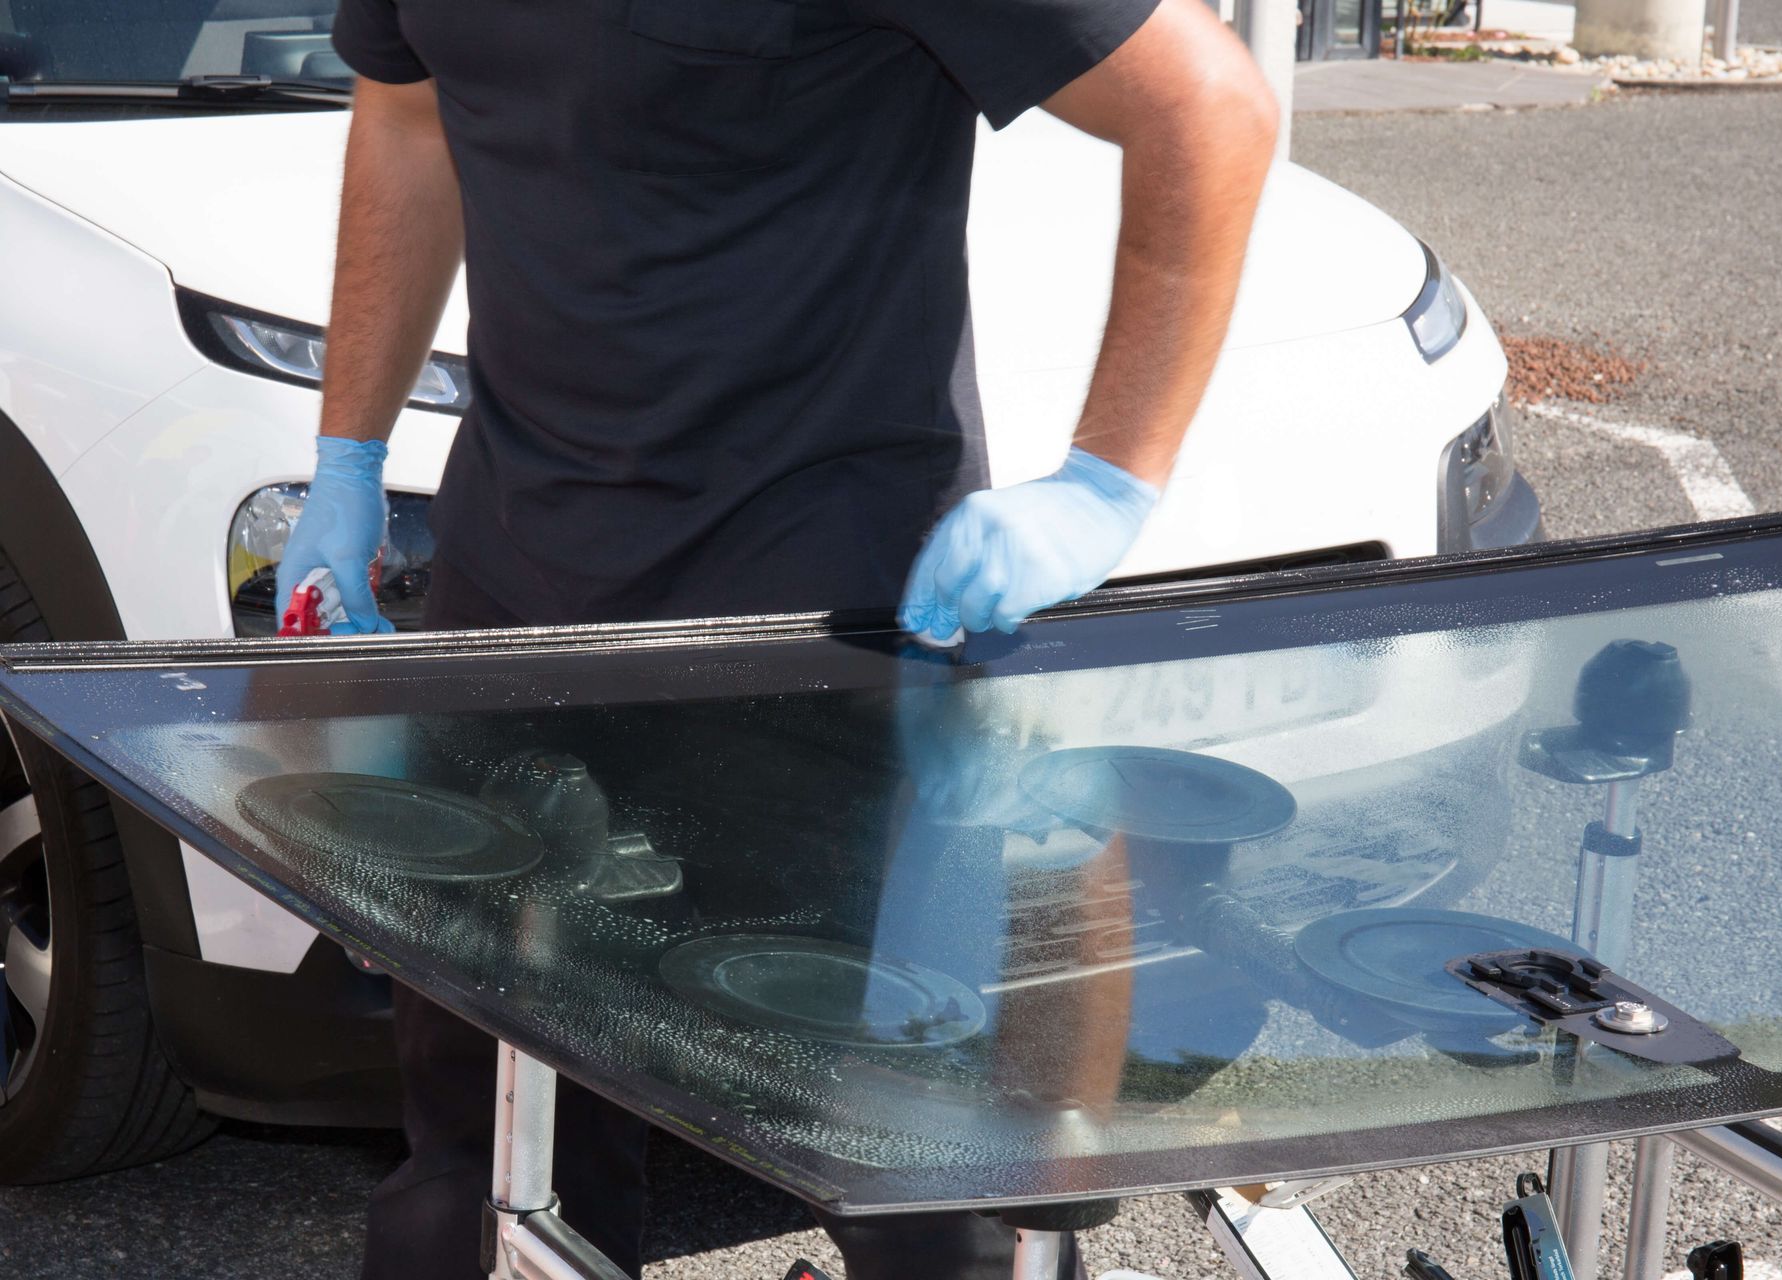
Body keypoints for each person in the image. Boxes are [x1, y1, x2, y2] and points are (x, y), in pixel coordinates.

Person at [283, 0, 1277, 1275]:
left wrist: (1108, 482)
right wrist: (347, 454)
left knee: (924, 1168)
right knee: (490, 1153)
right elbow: (410, 115)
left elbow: (1208, 110)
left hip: (822, 625)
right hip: (514, 594)